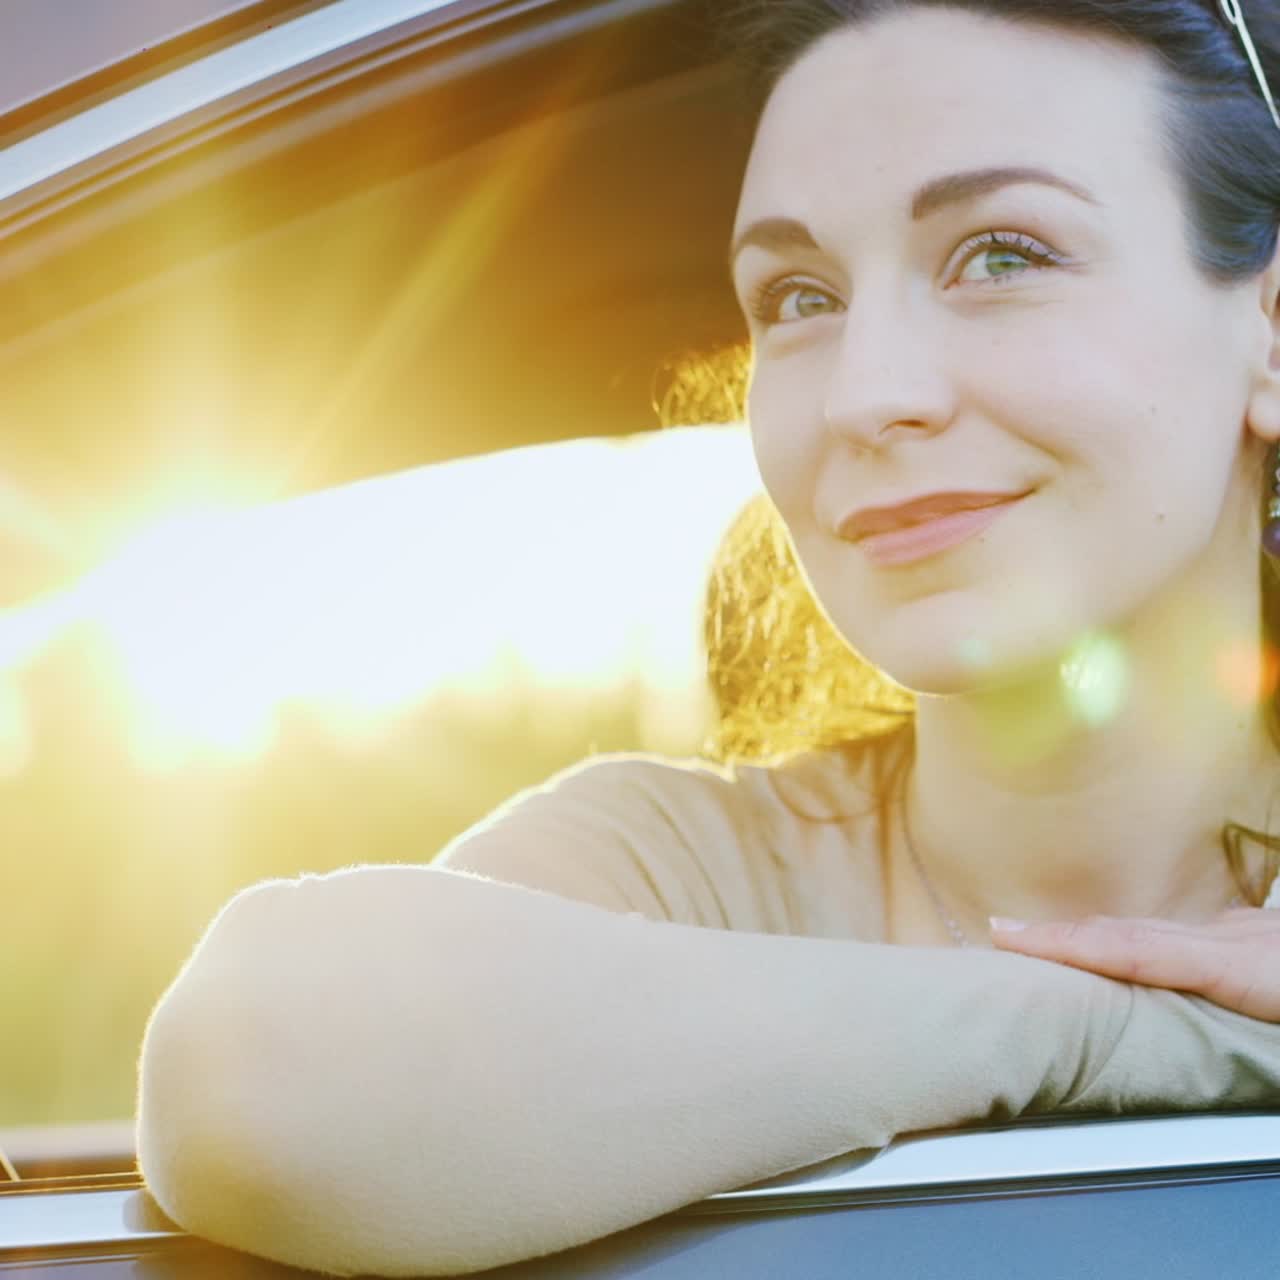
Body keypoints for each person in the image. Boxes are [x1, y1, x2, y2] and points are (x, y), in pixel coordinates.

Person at [136, 2, 1280, 1275]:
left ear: (1268, 327)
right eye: (798, 297)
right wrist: (1136, 1037)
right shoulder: (684, 870)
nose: (865, 391)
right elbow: (256, 1073)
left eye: (999, 254)